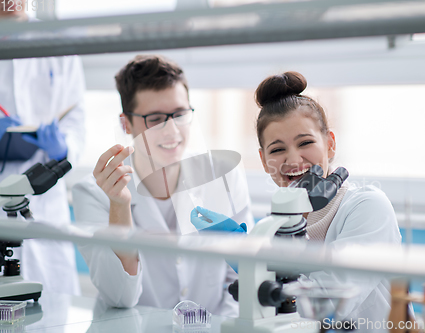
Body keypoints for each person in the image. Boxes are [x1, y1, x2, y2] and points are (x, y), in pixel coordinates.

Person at [191, 71, 402, 329]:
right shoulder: (280, 222)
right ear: (263, 160)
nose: (292, 160)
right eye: (278, 149)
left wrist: (255, 269)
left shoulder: (367, 207)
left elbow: (327, 304)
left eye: (305, 143)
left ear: (330, 144)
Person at [72, 55, 254, 315]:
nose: (172, 131)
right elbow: (119, 296)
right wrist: (119, 207)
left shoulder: (223, 175)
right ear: (126, 123)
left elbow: (240, 279)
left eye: (180, 114)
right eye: (155, 119)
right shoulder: (93, 193)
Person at [0, 3, 86, 295]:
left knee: (52, 307)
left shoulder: (55, 41)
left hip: (46, 191)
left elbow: (75, 116)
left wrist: (63, 148)